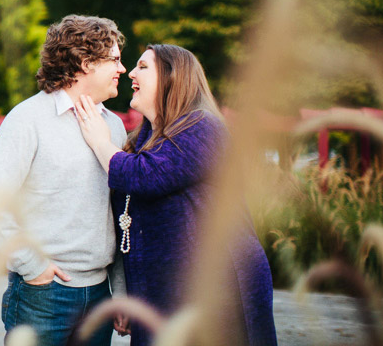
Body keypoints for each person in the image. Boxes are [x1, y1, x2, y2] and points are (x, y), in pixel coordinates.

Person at [73, 44, 278, 346]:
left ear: (172, 77)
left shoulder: (203, 127)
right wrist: (130, 297)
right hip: (162, 290)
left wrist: (100, 142)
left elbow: (144, 176)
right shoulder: (139, 142)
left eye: (143, 67)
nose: (131, 72)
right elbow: (128, 224)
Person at [0, 15, 129, 346]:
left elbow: (118, 214)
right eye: (114, 59)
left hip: (100, 295)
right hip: (42, 294)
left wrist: (121, 292)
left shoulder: (114, 127)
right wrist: (32, 265)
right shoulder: (28, 119)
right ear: (86, 63)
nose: (122, 69)